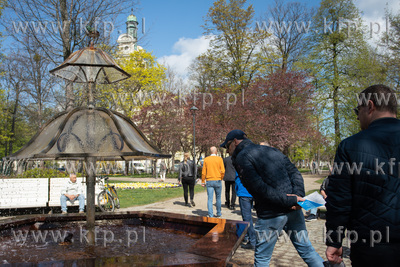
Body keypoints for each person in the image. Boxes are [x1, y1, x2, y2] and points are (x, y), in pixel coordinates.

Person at [221, 129, 324, 266]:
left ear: (234, 142)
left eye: (227, 147)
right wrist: (295, 197)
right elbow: (295, 173)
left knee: (262, 259)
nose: (227, 151)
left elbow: (259, 189)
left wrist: (294, 198)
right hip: (293, 209)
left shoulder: (242, 158)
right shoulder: (272, 151)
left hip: (271, 214)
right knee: (308, 251)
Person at [325, 84, 400, 266]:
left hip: (373, 247)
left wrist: (334, 240)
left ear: (370, 106)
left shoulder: (350, 146)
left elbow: (340, 200)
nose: (357, 116)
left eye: (357, 110)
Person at [201, 146, 225, 217]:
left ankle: (211, 214)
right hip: (217, 179)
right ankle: (218, 212)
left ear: (210, 152)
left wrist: (203, 181)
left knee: (210, 199)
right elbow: (223, 171)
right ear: (216, 151)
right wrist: (221, 177)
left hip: (209, 180)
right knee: (218, 198)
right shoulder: (220, 159)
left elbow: (203, 172)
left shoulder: (206, 159)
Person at [235, 171, 256, 250]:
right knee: (249, 217)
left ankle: (252, 241)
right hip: (254, 192)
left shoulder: (240, 163)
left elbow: (237, 178)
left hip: (244, 192)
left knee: (247, 218)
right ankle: (246, 236)